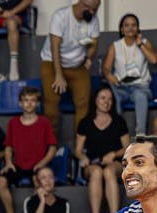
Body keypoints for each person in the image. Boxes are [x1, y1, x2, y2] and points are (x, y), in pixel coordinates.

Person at [40, 0, 100, 143]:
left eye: (96, 10)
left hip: (77, 65)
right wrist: (58, 75)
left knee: (83, 104)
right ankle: (51, 144)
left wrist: (89, 57)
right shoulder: (60, 16)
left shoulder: (93, 20)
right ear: (83, 4)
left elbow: (94, 43)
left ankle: (79, 145)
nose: (93, 13)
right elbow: (54, 47)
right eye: (91, 9)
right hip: (52, 62)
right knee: (51, 105)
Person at [0, 86, 57, 213]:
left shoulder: (44, 122)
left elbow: (53, 148)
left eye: (32, 100)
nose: (29, 103)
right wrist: (8, 162)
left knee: (40, 182)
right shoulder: (13, 123)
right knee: (0, 181)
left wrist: (42, 163)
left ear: (37, 103)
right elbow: (8, 147)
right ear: (20, 103)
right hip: (18, 165)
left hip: (38, 165)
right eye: (25, 100)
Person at [75, 86, 129, 213]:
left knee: (108, 171)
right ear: (95, 100)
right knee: (97, 172)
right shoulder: (85, 122)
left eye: (110, 99)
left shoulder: (119, 121)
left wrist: (114, 154)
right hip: (93, 163)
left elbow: (127, 148)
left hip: (114, 163)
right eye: (103, 98)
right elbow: (78, 150)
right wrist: (83, 157)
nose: (107, 102)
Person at [103, 14, 157, 136]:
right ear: (122, 29)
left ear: (138, 28)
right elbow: (106, 68)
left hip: (141, 87)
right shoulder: (115, 45)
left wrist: (140, 44)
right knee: (113, 95)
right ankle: (117, 132)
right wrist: (109, 76)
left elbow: (154, 60)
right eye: (126, 25)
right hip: (121, 87)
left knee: (140, 95)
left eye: (133, 25)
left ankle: (140, 134)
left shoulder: (144, 42)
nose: (130, 28)